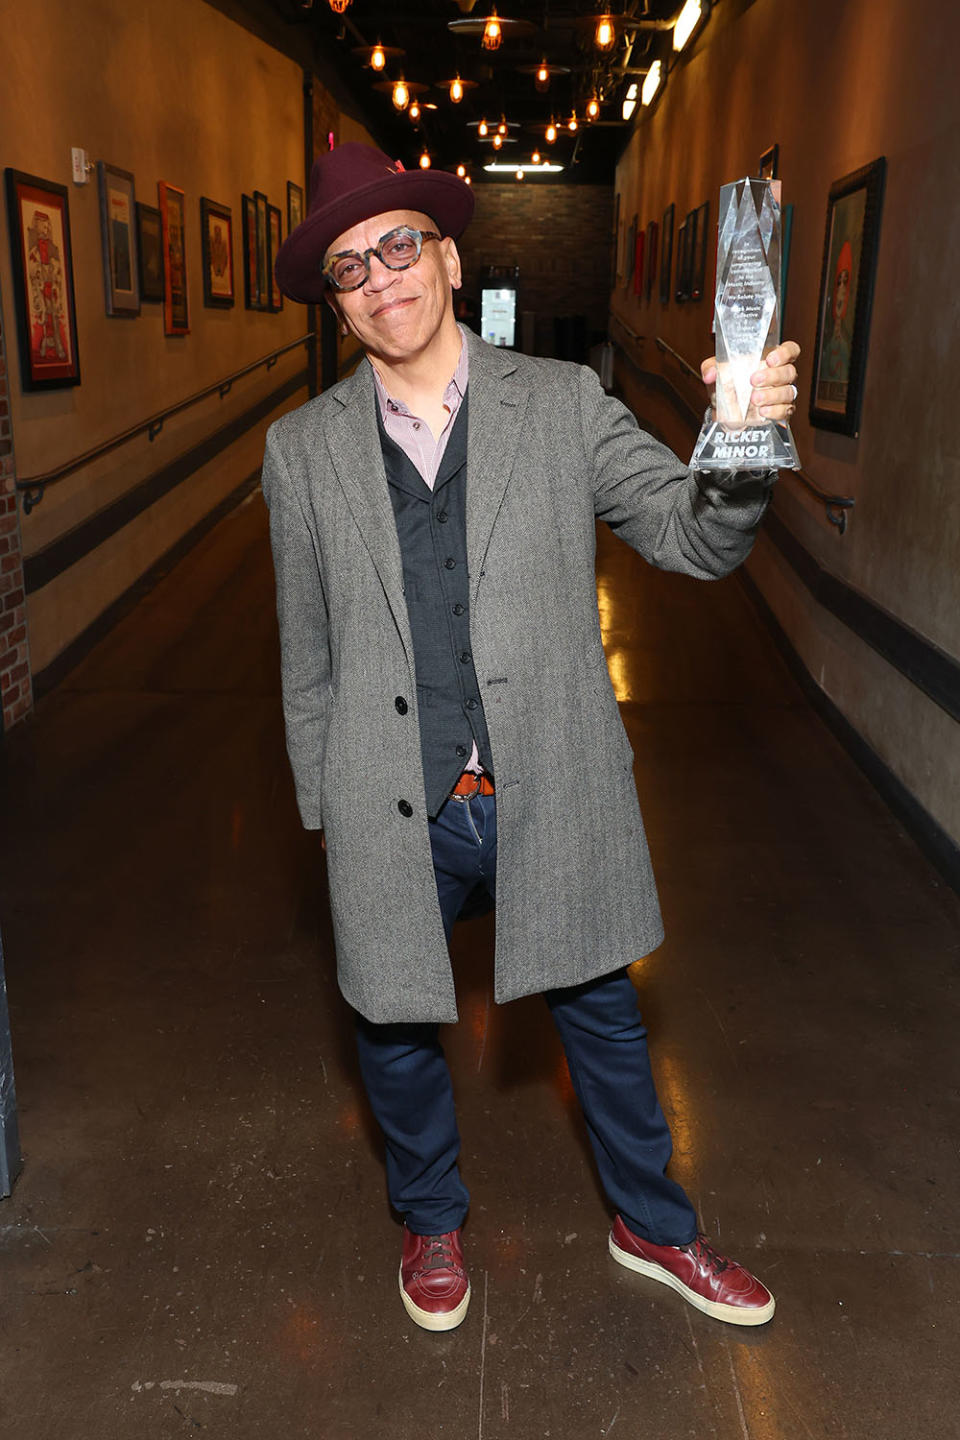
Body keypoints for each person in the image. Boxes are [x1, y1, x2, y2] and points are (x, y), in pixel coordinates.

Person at [265, 143, 800, 1335]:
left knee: (601, 1005)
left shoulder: (560, 406)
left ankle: (656, 1227)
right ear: (337, 300)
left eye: (400, 244)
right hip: (388, 790)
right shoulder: (298, 455)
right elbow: (306, 655)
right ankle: (432, 1220)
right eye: (350, 266)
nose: (380, 277)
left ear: (449, 257)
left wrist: (741, 444)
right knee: (396, 1020)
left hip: (545, 778)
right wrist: (326, 809)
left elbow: (692, 537)